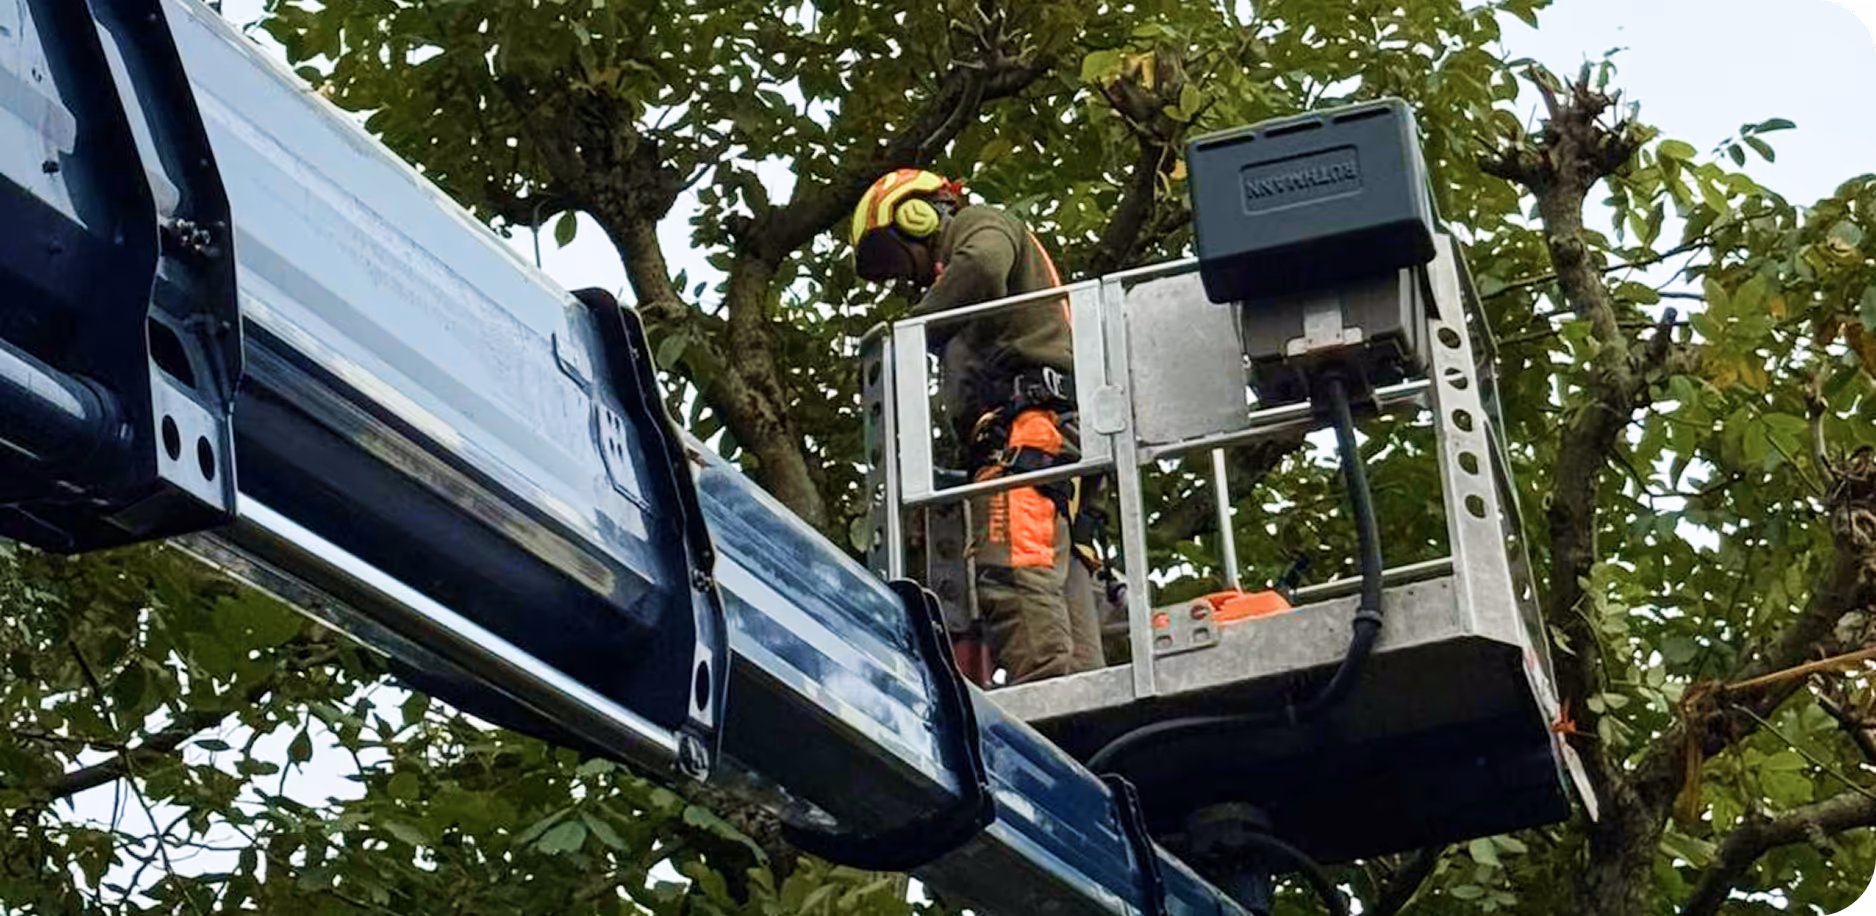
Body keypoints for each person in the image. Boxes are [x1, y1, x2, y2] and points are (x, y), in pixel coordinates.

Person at [849, 168, 1106, 685]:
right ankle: (1085, 702)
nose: (913, 279)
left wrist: (913, 331)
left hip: (1026, 433)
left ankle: (1050, 701)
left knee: (1014, 567)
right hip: (1045, 435)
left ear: (917, 214)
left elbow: (984, 266)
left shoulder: (980, 224)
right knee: (1060, 581)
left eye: (902, 259)